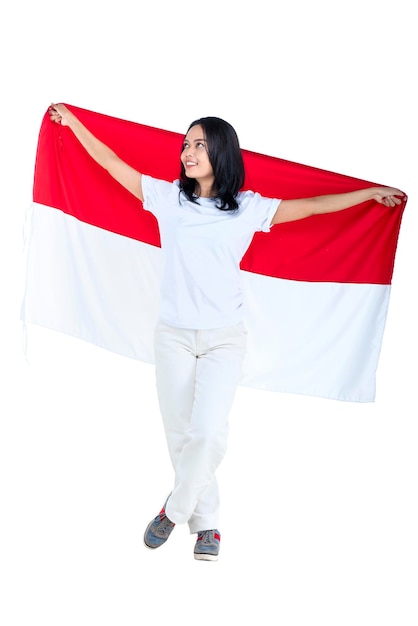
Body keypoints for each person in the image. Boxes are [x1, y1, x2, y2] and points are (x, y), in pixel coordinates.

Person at [48, 103, 404, 561]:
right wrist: (76, 125)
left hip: (223, 339)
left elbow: (313, 206)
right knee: (182, 434)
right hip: (173, 335)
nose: (187, 152)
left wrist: (366, 194)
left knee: (209, 431)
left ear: (221, 152)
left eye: (199, 144)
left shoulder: (249, 209)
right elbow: (113, 164)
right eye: (186, 144)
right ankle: (208, 528)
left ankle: (173, 513)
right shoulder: (167, 198)